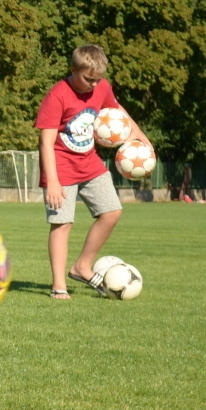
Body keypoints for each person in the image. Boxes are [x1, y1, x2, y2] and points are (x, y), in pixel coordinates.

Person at [34, 44, 150, 300]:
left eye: (97, 80)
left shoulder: (102, 87)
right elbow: (46, 142)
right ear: (73, 69)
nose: (93, 85)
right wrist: (52, 181)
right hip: (61, 166)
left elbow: (118, 112)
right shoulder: (57, 96)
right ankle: (59, 285)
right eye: (88, 79)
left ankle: (82, 266)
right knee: (62, 223)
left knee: (112, 212)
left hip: (90, 163)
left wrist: (140, 136)